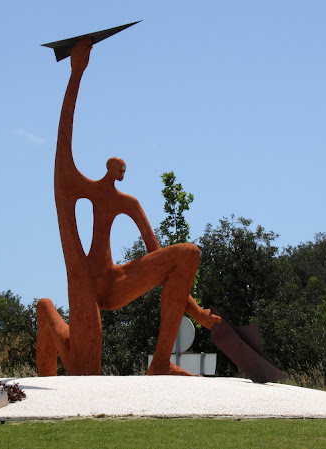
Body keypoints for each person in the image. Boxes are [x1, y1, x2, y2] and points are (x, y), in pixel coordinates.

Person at [36, 39, 221, 376]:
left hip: (116, 281)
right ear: (109, 168)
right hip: (85, 282)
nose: (122, 172)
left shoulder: (128, 203)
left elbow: (159, 258)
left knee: (187, 254)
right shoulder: (78, 187)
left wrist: (197, 312)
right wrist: (76, 74)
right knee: (85, 369)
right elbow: (63, 146)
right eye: (118, 167)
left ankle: (161, 363)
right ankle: (47, 312)